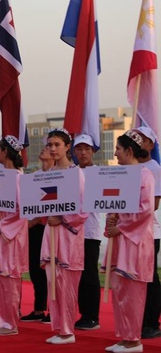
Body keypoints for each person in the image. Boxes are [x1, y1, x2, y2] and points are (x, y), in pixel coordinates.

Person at [103, 129, 155, 353]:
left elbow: (145, 211)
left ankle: (134, 340)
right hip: (119, 240)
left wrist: (120, 227)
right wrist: (111, 218)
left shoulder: (145, 176)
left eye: (118, 149)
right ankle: (125, 336)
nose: (115, 153)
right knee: (119, 288)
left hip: (135, 242)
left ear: (129, 151)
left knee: (133, 291)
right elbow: (109, 202)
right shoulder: (119, 175)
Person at [41, 128, 87, 345]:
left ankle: (68, 331)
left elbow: (83, 208)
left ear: (67, 147)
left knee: (67, 283)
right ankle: (59, 327)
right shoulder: (49, 174)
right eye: (50, 144)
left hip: (68, 235)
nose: (53, 149)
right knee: (54, 281)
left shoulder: (76, 173)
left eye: (57, 144)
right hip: (51, 234)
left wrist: (63, 219)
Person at [0, 135, 28, 336]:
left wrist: (1, 225)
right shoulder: (0, 177)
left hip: (12, 235)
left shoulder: (19, 179)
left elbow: (21, 210)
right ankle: (3, 321)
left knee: (10, 277)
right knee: (0, 277)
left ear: (6, 152)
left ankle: (10, 323)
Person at [73, 134, 102, 331]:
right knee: (77, 274)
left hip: (90, 231)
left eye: (87, 149)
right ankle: (83, 313)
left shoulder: (99, 173)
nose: (83, 153)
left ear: (92, 151)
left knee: (90, 274)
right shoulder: (70, 173)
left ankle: (92, 316)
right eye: (79, 149)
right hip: (72, 232)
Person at [21, 144, 52, 324]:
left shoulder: (58, 175)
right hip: (32, 228)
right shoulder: (33, 177)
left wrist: (36, 220)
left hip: (47, 227)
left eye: (51, 147)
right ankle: (39, 308)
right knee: (34, 268)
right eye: (46, 146)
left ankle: (52, 309)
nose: (45, 149)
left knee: (48, 268)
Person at [135, 126, 161, 340]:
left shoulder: (154, 168)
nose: (138, 142)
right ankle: (137, 320)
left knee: (150, 277)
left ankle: (152, 322)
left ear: (151, 145)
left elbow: (154, 204)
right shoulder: (128, 167)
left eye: (142, 139)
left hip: (150, 232)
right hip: (129, 232)